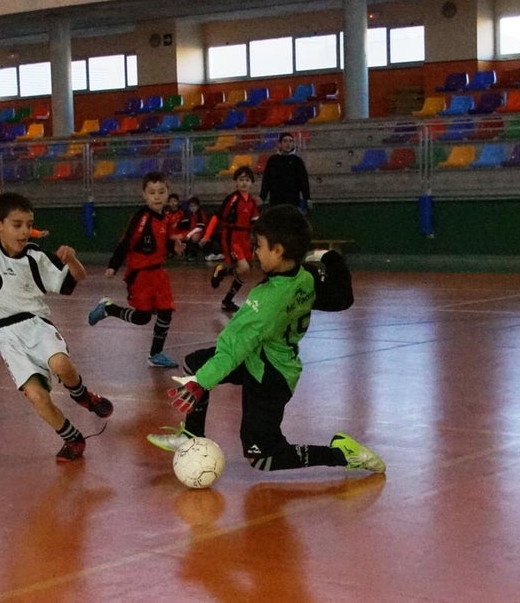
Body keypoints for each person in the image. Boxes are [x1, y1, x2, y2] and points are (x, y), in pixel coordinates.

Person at [146, 204, 383, 474]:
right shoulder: (306, 276)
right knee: (195, 362)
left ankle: (342, 453)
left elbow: (233, 348)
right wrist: (330, 257)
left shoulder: (267, 300)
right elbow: (343, 298)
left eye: (258, 246)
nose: (255, 253)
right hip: (261, 356)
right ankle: (191, 435)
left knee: (263, 457)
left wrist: (201, 383)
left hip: (272, 375)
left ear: (279, 250)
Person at [0, 178, 113, 463]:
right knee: (37, 397)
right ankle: (72, 438)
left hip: (35, 324)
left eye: (28, 224)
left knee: (60, 364)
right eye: (16, 224)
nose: (23, 231)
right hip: (6, 336)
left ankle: (82, 395)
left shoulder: (36, 256)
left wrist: (73, 261)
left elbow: (74, 281)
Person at [88, 171, 185, 368]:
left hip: (159, 274)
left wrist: (174, 249)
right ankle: (108, 308)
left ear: (168, 193)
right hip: (140, 275)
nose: (157, 196)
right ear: (144, 195)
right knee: (142, 318)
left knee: (166, 312)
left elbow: (163, 245)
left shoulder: (165, 219)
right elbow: (126, 242)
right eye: (152, 192)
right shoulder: (141, 217)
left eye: (161, 192)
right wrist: (113, 266)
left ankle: (156, 354)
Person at [0, 184, 50, 333]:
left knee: (6, 291)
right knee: (2, 294)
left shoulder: (7, 219)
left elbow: (21, 230)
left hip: (7, 260)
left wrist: (37, 234)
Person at [207, 166, 260, 312]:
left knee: (245, 272)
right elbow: (219, 217)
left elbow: (255, 221)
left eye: (247, 180)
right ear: (236, 182)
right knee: (244, 267)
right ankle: (221, 270)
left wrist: (255, 238)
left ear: (252, 183)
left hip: (245, 238)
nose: (244, 183)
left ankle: (227, 299)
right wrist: (207, 236)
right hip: (232, 237)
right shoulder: (233, 199)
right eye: (241, 180)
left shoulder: (252, 202)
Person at [259, 132, 310, 211]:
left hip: (293, 201)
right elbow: (266, 180)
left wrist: (307, 198)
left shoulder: (297, 161)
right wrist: (262, 197)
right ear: (280, 143)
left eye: (290, 141)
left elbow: (303, 181)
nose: (288, 144)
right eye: (285, 141)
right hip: (276, 200)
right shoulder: (273, 160)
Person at [181, 196, 208, 262]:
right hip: (191, 231)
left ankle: (193, 254)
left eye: (194, 206)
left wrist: (189, 234)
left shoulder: (201, 214)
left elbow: (200, 227)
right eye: (191, 206)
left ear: (198, 206)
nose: (192, 208)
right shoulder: (189, 214)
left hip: (201, 232)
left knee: (194, 237)